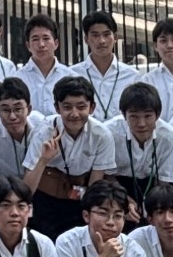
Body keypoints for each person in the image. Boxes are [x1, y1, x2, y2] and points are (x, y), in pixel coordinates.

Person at [25, 74, 115, 240]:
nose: (74, 114)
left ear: (92, 108)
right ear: (57, 108)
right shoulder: (44, 132)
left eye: (81, 107)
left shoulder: (101, 135)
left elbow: (95, 185)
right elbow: (27, 189)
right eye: (67, 107)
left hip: (82, 199)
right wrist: (44, 160)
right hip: (46, 199)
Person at [110, 81, 173, 223]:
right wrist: (124, 201)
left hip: (153, 185)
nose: (141, 124)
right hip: (117, 184)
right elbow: (106, 176)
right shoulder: (110, 133)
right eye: (134, 116)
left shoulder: (169, 137)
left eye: (148, 116)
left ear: (158, 115)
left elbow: (164, 181)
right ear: (124, 115)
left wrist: (152, 207)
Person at [0, 76, 54, 185]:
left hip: (40, 184)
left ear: (29, 109)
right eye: (5, 110)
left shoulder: (42, 126)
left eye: (18, 109)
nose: (12, 116)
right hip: (5, 189)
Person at [72, 9, 132, 126]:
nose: (102, 41)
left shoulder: (132, 76)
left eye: (106, 34)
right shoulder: (73, 75)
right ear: (86, 39)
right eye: (95, 35)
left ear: (115, 37)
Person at [17, 13, 69, 116]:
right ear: (28, 45)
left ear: (56, 43)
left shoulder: (69, 76)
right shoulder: (18, 79)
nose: (41, 44)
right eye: (35, 39)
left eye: (46, 38)